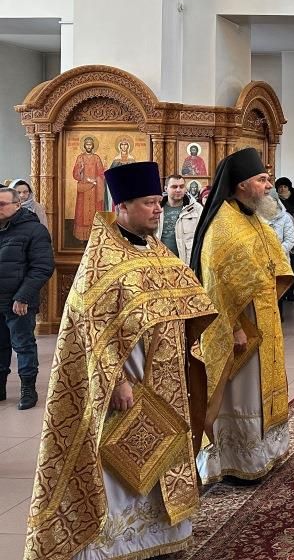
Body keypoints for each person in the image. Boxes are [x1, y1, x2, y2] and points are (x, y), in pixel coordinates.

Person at [23, 162, 216, 560]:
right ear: (122, 206)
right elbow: (90, 325)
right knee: (116, 463)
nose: (158, 209)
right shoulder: (103, 260)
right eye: (149, 203)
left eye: (159, 201)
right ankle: (114, 546)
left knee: (161, 456)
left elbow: (185, 298)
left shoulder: (156, 250)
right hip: (123, 384)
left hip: (165, 381)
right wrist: (117, 381)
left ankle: (159, 539)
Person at [189, 148, 294, 484]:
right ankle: (238, 460)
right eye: (262, 180)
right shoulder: (223, 226)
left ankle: (264, 451)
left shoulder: (250, 217)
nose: (268, 186)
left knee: (262, 387)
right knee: (242, 393)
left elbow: (273, 261)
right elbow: (215, 286)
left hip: (264, 318)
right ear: (242, 184)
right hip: (241, 327)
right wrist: (233, 326)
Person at [0, 186, 53, 409]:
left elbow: (42, 267)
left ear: (17, 205)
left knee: (23, 346)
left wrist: (23, 296)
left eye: (2, 204)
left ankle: (28, 389)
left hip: (19, 302)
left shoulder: (34, 230)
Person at [261, 192, 294, 311]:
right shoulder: (257, 217)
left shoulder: (286, 218)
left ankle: (279, 316)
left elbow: (290, 240)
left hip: (280, 259)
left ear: (276, 202)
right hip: (261, 260)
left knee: (278, 291)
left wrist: (275, 252)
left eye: (270, 201)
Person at [157, 173, 204, 263]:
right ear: (166, 189)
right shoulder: (157, 208)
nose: (178, 190)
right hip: (160, 260)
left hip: (185, 261)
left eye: (181, 186)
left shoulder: (196, 209)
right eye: (174, 187)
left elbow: (202, 237)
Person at [73, 136, 106, 241]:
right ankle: (82, 237)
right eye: (87, 144)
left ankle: (95, 236)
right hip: (83, 189)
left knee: (95, 211)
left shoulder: (96, 158)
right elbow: (75, 175)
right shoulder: (80, 158)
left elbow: (101, 173)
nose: (88, 146)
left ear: (93, 146)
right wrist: (80, 170)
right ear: (84, 145)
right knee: (82, 212)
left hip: (94, 189)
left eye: (90, 144)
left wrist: (95, 180)